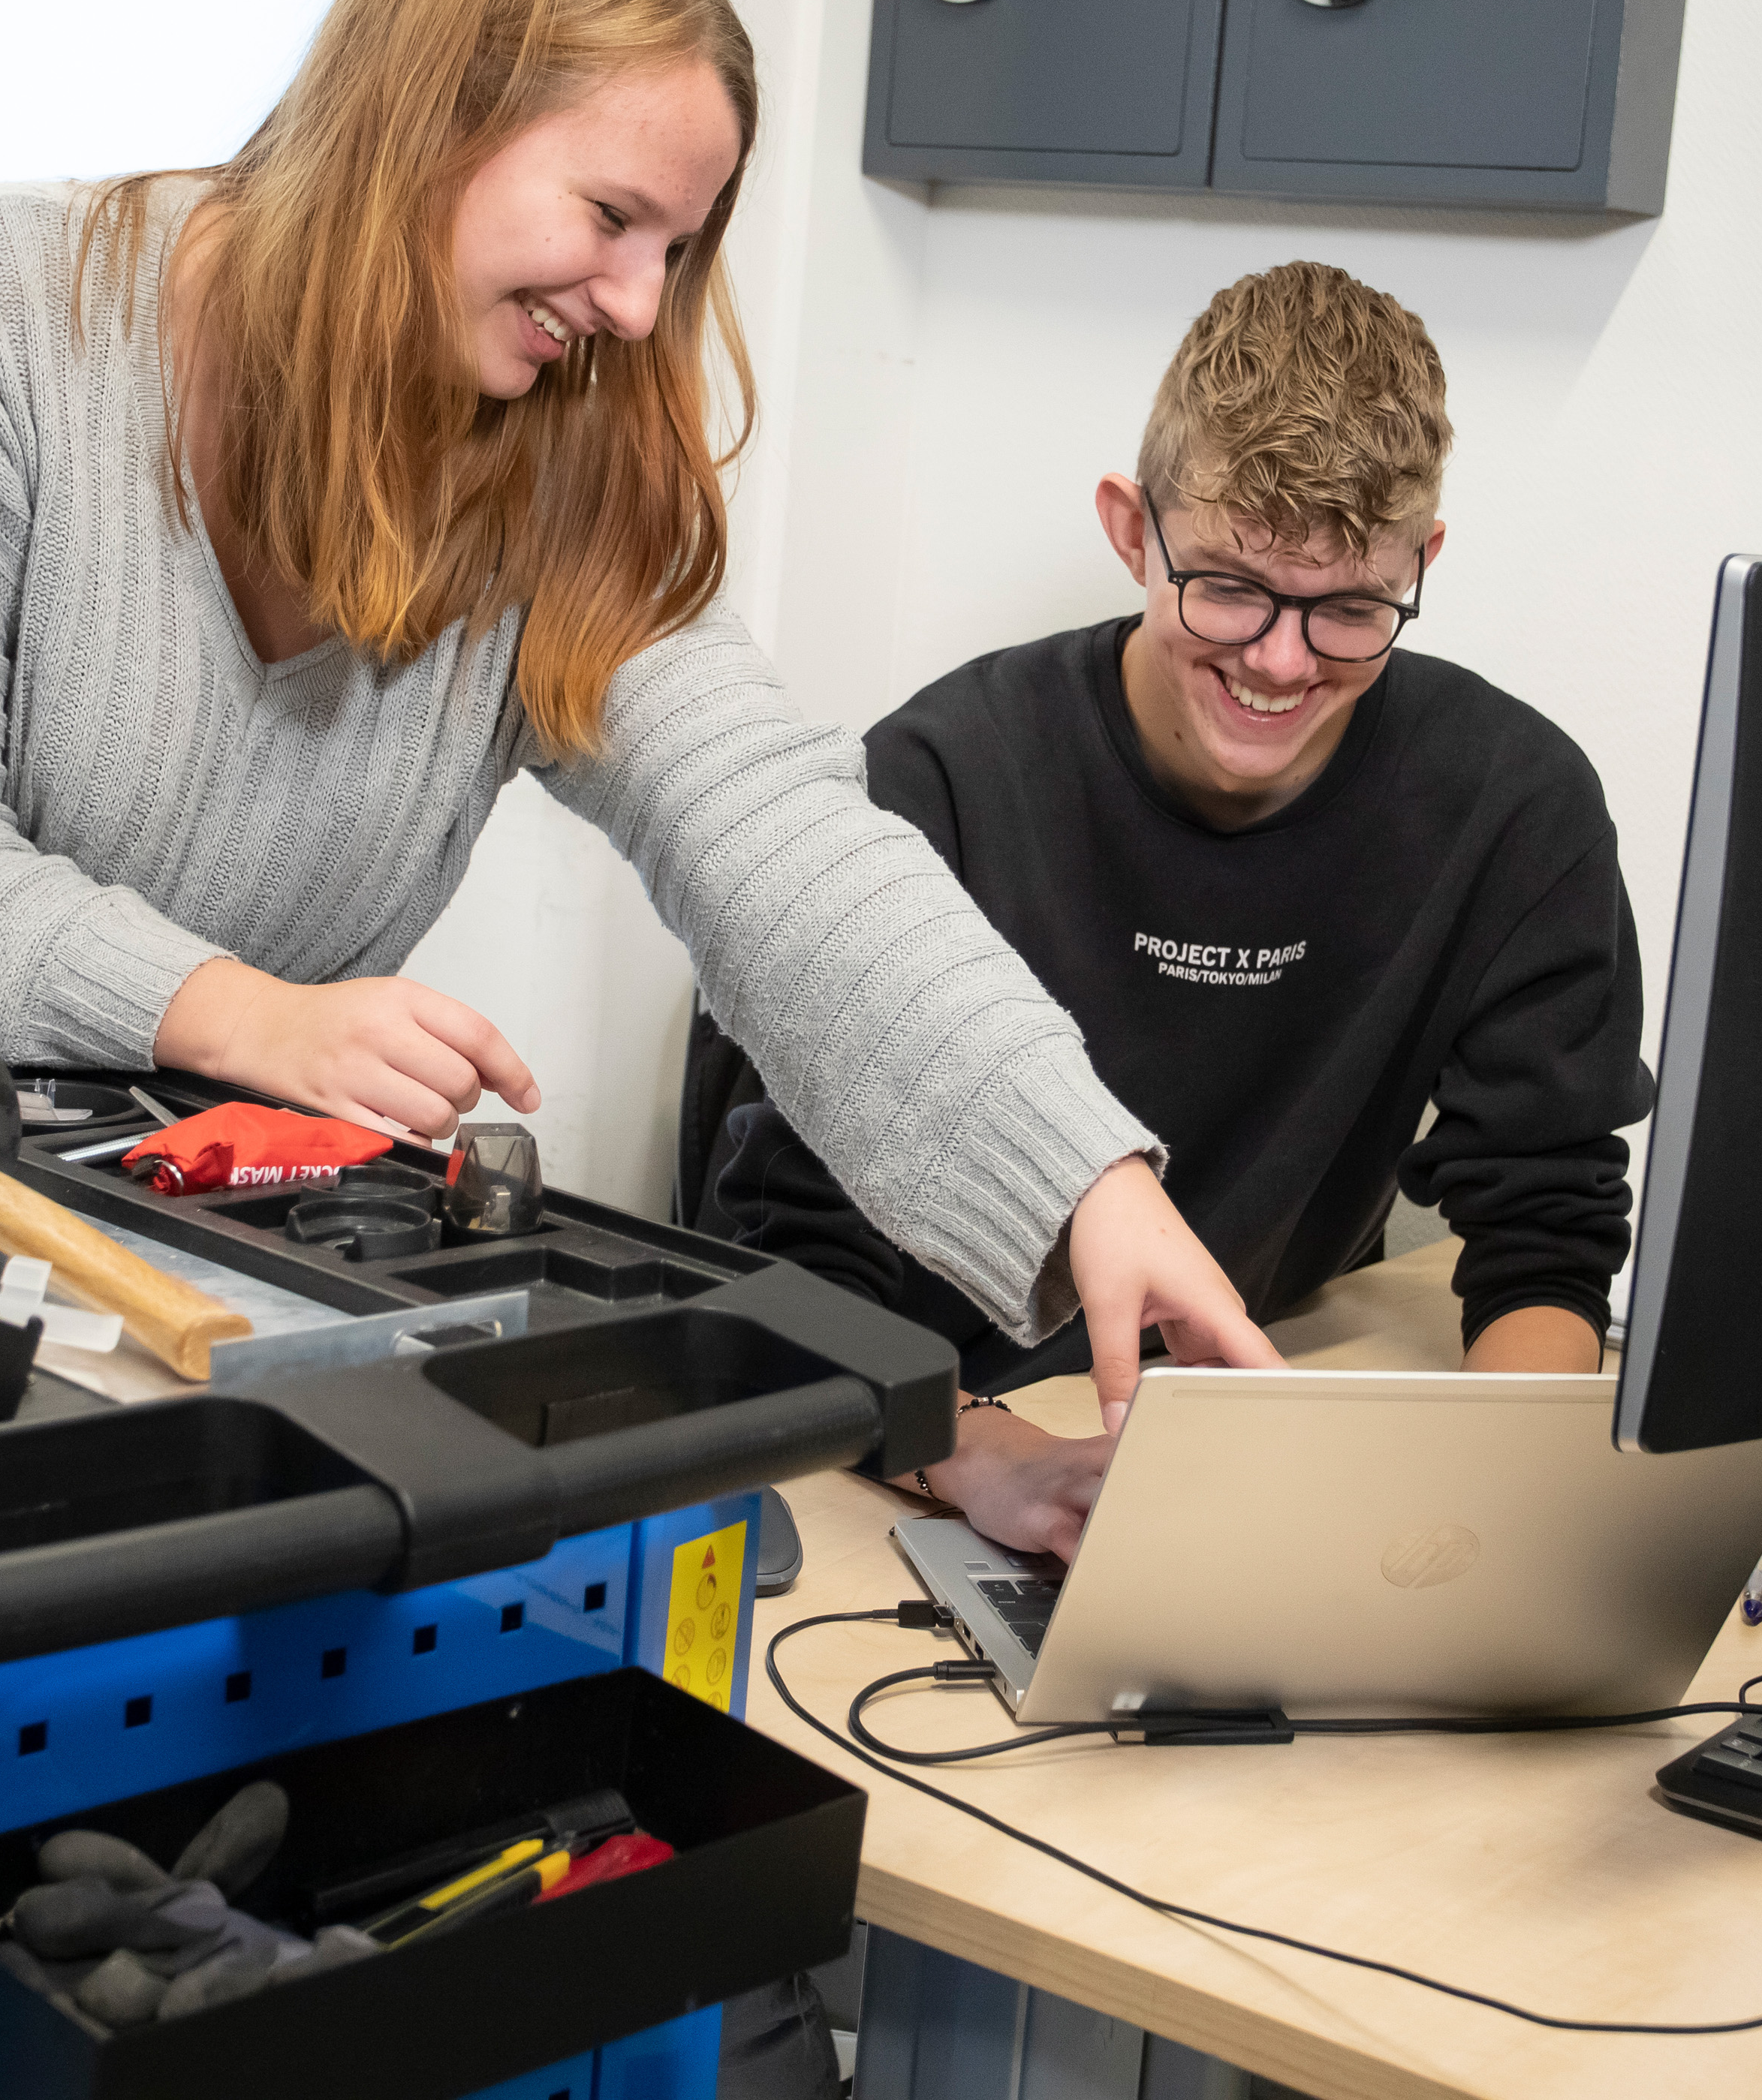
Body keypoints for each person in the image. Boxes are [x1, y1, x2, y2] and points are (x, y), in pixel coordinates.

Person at [0, 0, 1280, 1427]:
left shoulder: (557, 465)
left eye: (676, 251)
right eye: (612, 217)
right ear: (426, 120)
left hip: (118, 1125)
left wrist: (1085, 1182)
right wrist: (251, 1012)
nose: (635, 304)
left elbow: (782, 842)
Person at [695, 260, 1655, 1559]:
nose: (1279, 660)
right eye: (1229, 586)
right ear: (1130, 527)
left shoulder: (1513, 806)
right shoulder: (939, 780)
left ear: (1423, 564)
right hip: (914, 1436)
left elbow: (1548, 1226)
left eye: (1351, 610)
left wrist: (1495, 1517)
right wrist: (985, 1454)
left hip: (1238, 1435)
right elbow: (785, 1274)